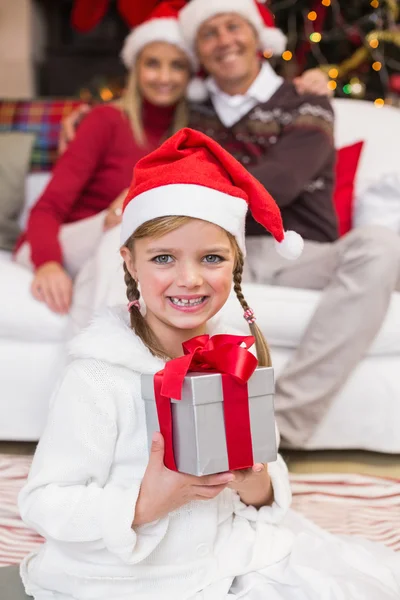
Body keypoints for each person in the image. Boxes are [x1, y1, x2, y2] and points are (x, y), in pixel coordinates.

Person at [18, 129, 400, 600]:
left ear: (237, 262)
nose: (190, 279)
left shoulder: (234, 361)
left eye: (212, 258)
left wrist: (255, 481)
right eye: (163, 258)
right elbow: (43, 501)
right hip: (130, 578)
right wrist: (144, 503)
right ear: (131, 264)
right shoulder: (98, 375)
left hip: (227, 557)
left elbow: (268, 468)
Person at [176, 0, 400, 447]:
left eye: (233, 26)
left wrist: (197, 184)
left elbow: (279, 183)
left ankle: (279, 429)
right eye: (209, 32)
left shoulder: (307, 100)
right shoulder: (190, 115)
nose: (224, 40)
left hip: (301, 253)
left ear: (259, 38)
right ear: (198, 52)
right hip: (215, 254)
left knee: (380, 245)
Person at [13, 0, 196, 315]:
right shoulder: (104, 121)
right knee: (129, 221)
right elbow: (47, 208)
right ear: (135, 69)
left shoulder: (187, 138)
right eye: (153, 63)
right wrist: (48, 264)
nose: (164, 76)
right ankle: (89, 362)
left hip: (123, 246)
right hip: (55, 243)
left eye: (177, 65)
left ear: (189, 74)